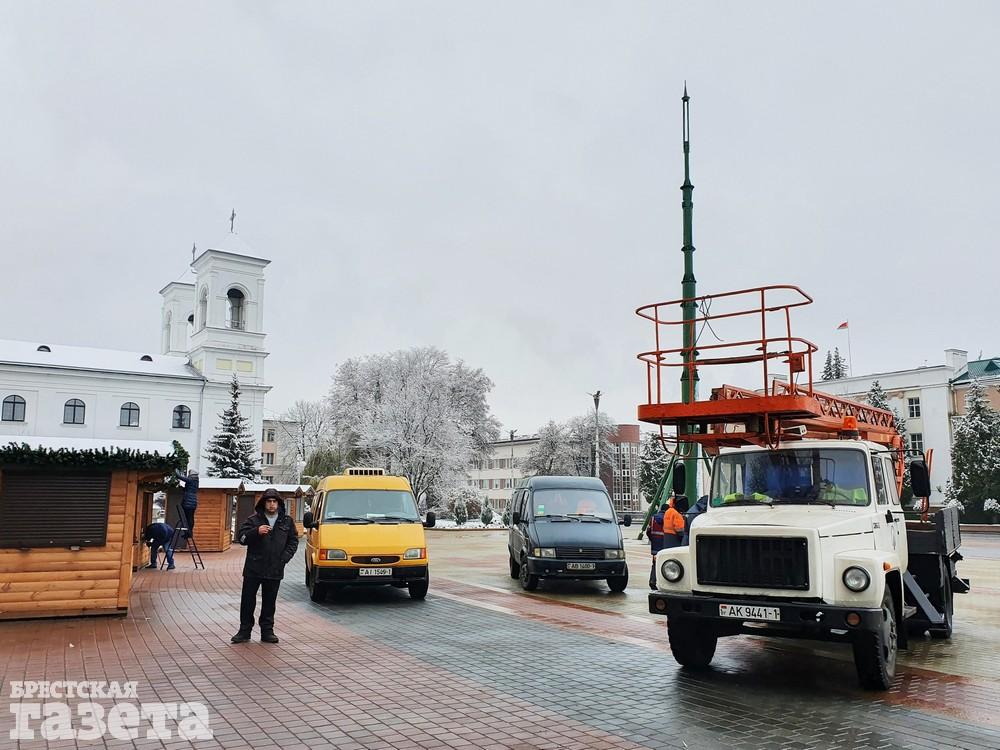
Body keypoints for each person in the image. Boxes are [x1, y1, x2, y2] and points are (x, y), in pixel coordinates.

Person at [232, 488, 299, 644]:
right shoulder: (253, 520)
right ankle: (244, 631)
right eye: (268, 501)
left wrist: (284, 559)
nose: (271, 504)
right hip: (253, 567)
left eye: (274, 501)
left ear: (279, 504)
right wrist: (256, 532)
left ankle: (267, 631)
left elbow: (293, 541)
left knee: (269, 602)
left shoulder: (287, 521)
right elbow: (242, 538)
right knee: (248, 600)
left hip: (275, 568)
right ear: (263, 503)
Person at [174, 468, 199, 538]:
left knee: (189, 518)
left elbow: (179, 476)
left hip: (189, 502)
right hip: (192, 502)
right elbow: (188, 489)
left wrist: (175, 469)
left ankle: (189, 533)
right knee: (189, 518)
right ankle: (189, 533)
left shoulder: (192, 480)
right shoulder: (195, 481)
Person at [647, 503, 667, 589]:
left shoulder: (653, 518)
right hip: (664, 544)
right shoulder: (667, 518)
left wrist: (652, 539)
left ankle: (652, 580)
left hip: (655, 544)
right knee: (665, 564)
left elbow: (648, 531)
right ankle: (663, 582)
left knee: (655, 564)